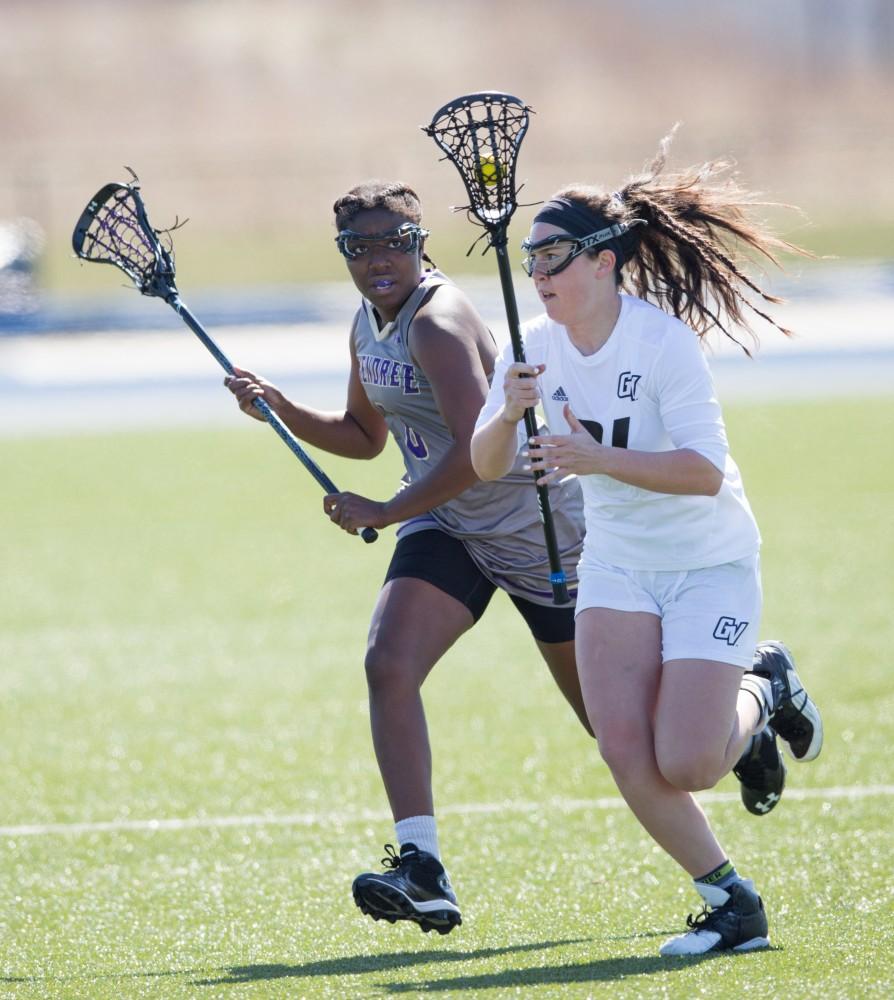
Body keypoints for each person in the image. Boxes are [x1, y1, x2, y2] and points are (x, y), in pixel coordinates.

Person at [470, 132, 823, 956]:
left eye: (554, 257)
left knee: (692, 761)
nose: (539, 276)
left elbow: (702, 471)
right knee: (625, 748)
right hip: (619, 565)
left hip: (707, 561)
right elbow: (487, 466)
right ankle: (729, 900)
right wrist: (505, 411)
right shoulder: (532, 350)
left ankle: (764, 683)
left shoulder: (661, 344)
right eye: (530, 260)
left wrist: (595, 459)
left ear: (604, 262)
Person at [225, 180, 589, 935]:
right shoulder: (368, 322)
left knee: (616, 729)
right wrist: (280, 409)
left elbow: (481, 454)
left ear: (422, 241)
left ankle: (755, 694)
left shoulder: (437, 325)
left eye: (394, 240)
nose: (378, 258)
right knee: (388, 664)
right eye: (360, 246)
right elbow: (365, 435)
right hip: (448, 526)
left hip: (531, 528)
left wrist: (387, 510)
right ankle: (422, 866)